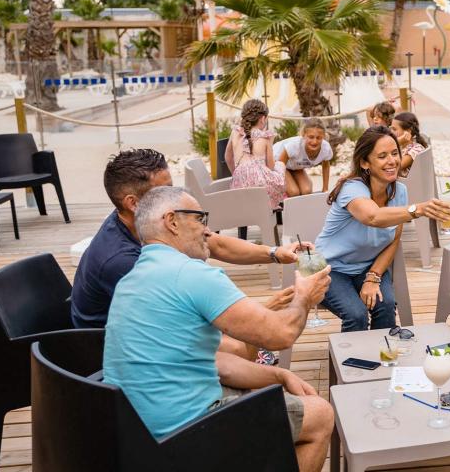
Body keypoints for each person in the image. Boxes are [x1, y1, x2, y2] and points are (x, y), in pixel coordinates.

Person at [104, 186, 334, 472]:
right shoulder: (192, 275)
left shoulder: (131, 280)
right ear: (172, 221)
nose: (207, 229)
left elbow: (213, 361)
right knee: (321, 415)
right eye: (200, 218)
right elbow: (280, 334)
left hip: (136, 434)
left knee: (259, 389)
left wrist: (278, 373)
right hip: (186, 434)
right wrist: (304, 297)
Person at [71, 148, 299, 363]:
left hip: (153, 328)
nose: (175, 196)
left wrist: (275, 253)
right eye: (163, 192)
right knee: (241, 351)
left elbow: (215, 243)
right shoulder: (122, 261)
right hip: (119, 353)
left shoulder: (150, 221)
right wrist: (261, 317)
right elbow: (182, 317)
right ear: (133, 203)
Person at [315, 126, 450, 332]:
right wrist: (418, 209)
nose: (392, 161)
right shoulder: (352, 189)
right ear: (365, 162)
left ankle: (385, 359)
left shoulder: (400, 191)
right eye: (382, 156)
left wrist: (373, 276)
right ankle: (351, 363)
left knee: (385, 306)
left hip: (367, 267)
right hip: (329, 268)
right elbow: (373, 216)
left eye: (395, 153)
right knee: (356, 314)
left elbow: (393, 240)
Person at [225, 99, 287, 209]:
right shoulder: (265, 137)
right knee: (280, 165)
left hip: (239, 185)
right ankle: (274, 203)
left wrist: (236, 174)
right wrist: (271, 142)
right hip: (261, 187)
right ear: (263, 119)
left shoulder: (235, 132)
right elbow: (271, 167)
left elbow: (228, 157)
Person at [273, 118, 333, 196]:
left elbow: (325, 166)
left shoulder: (326, 148)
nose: (314, 141)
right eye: (311, 137)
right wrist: (280, 187)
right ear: (303, 135)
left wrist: (325, 188)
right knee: (294, 192)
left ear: (324, 136)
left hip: (295, 166)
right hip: (277, 162)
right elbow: (280, 166)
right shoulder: (294, 145)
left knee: (306, 191)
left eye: (319, 138)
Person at [389, 112, 428, 178]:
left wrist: (397, 142)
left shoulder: (416, 149)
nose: (391, 132)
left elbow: (394, 167)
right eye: (391, 128)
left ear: (408, 131)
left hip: (405, 185)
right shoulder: (401, 146)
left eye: (394, 129)